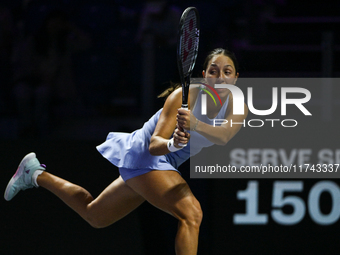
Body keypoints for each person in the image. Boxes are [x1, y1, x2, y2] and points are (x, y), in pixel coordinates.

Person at [4, 48, 248, 255]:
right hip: (146, 154)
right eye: (214, 71)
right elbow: (155, 145)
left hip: (165, 164)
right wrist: (173, 143)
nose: (220, 77)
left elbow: (224, 135)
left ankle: (34, 173)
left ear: (236, 78)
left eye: (227, 72)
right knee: (192, 214)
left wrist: (194, 126)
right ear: (204, 76)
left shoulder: (238, 106)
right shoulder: (184, 97)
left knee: (95, 215)